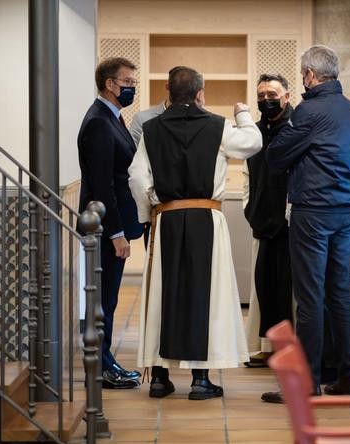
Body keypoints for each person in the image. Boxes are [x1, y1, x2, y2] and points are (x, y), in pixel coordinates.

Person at [128, 66, 262, 400]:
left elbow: (137, 177)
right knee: (208, 294)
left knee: (164, 292)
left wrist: (149, 214)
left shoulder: (151, 128)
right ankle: (201, 379)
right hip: (206, 217)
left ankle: (159, 377)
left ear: (168, 93)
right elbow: (252, 143)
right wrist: (244, 115)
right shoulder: (218, 126)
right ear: (201, 94)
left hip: (168, 219)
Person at [267, 45, 350, 396]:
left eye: (303, 74)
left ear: (309, 75)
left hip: (314, 210)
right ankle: (347, 375)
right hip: (346, 209)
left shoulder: (309, 110)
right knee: (340, 292)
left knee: (309, 296)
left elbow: (276, 156)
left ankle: (307, 381)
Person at [77, 57, 145, 389]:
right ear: (110, 84)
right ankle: (102, 367)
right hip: (104, 231)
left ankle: (106, 362)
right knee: (103, 301)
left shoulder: (113, 118)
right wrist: (117, 233)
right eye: (128, 81)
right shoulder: (99, 123)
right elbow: (104, 185)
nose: (133, 86)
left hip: (110, 228)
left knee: (109, 300)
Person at [243, 74, 294, 369]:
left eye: (272, 94)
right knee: (262, 285)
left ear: (286, 96)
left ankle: (288, 347)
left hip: (289, 221)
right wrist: (250, 210)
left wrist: (290, 213)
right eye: (261, 94)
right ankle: (266, 346)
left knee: (288, 288)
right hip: (261, 220)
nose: (266, 100)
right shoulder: (256, 131)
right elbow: (249, 174)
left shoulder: (296, 128)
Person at [128, 67, 180, 146]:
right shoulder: (141, 119)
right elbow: (132, 153)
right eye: (179, 87)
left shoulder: (199, 121)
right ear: (167, 87)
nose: (182, 92)